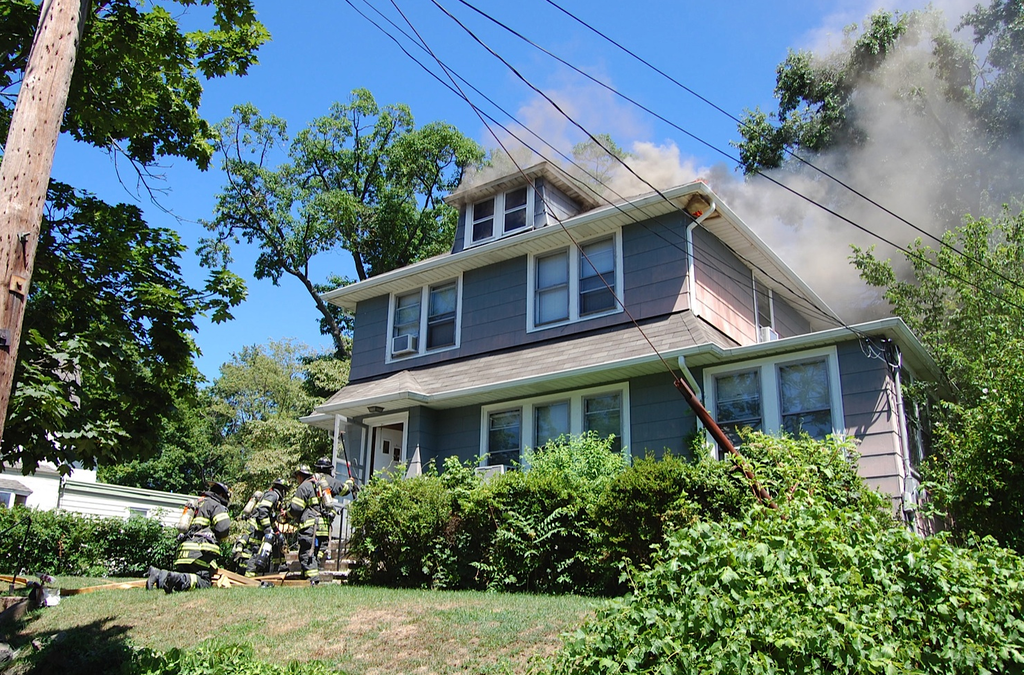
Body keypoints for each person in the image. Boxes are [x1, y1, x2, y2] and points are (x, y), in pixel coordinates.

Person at [146, 482, 232, 593]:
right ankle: (176, 578)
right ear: (221, 495)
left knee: (179, 577)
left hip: (184, 550)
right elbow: (223, 529)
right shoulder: (215, 505)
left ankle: (158, 574)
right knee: (204, 582)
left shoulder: (198, 503)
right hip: (199, 552)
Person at [312, 456, 355, 568]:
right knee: (323, 542)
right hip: (322, 520)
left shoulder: (311, 480)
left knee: (312, 544)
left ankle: (312, 562)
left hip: (308, 520)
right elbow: (344, 489)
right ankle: (316, 562)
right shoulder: (329, 480)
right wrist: (350, 482)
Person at [245, 478, 290, 578]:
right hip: (256, 529)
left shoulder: (274, 497)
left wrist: (276, 531)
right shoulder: (273, 495)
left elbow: (271, 518)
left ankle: (256, 575)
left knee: (260, 550)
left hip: (259, 529)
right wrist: (268, 529)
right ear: (282, 490)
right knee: (256, 551)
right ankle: (249, 578)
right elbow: (263, 511)